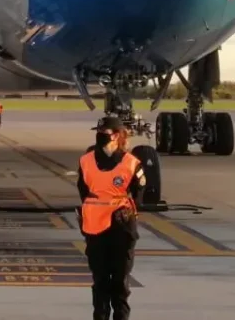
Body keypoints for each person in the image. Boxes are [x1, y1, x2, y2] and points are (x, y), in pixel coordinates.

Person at [77, 116, 146, 320]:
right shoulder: (86, 161)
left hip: (121, 226)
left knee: (119, 280)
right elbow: (83, 190)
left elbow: (138, 195)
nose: (99, 136)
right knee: (100, 281)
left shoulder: (132, 164)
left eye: (104, 133)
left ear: (116, 136)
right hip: (94, 226)